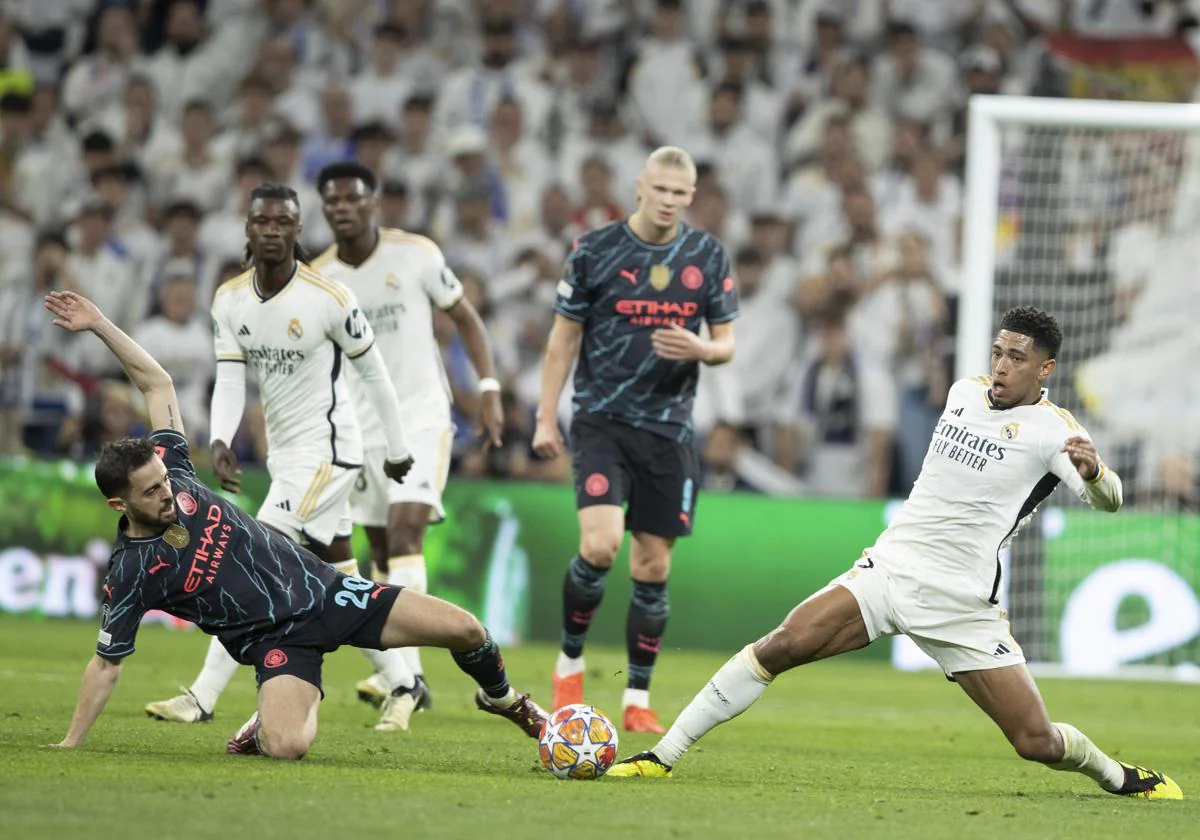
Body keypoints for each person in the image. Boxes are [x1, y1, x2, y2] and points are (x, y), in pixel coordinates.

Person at [607, 308, 1183, 801]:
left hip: (960, 601)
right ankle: (661, 755)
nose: (1003, 366)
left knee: (1036, 742)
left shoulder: (1054, 432)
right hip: (890, 569)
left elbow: (1110, 501)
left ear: (1045, 368)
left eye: (1017, 358)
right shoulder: (963, 392)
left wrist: (1096, 472)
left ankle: (1117, 775)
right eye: (999, 352)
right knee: (779, 645)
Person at [45, 290, 547, 759]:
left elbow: (158, 384)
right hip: (276, 644)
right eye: (151, 492)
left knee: (465, 628)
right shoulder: (132, 571)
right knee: (289, 746)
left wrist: (99, 324)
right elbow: (106, 664)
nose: (167, 493)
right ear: (120, 506)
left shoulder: (175, 469)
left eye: (164, 482)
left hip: (328, 593)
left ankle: (505, 701)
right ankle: (262, 724)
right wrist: (71, 743)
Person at [144, 184, 422, 732]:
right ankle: (405, 682)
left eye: (283, 223)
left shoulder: (330, 297)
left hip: (331, 454)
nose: (272, 231)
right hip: (286, 456)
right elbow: (229, 376)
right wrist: (221, 439)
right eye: (262, 222)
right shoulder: (230, 299)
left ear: (298, 230)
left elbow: (375, 374)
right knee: (341, 573)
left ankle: (202, 697)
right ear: (248, 229)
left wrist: (395, 449)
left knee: (247, 557)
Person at [533, 146, 739, 733]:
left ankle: (636, 699)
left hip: (670, 430)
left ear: (691, 196)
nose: (671, 201)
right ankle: (569, 661)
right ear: (640, 188)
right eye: (662, 190)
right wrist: (548, 417)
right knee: (600, 545)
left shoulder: (706, 254)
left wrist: (703, 349)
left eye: (682, 193)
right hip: (601, 420)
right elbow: (562, 338)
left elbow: (726, 343)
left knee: (652, 564)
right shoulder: (595, 250)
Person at [310, 161, 504, 712]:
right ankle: (401, 675)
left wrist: (488, 385)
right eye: (333, 200)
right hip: (360, 427)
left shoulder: (416, 254)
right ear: (324, 209)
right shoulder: (320, 277)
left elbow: (465, 317)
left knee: (404, 536)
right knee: (377, 552)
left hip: (420, 415)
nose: (343, 208)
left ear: (373, 203)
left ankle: (410, 679)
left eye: (354, 198)